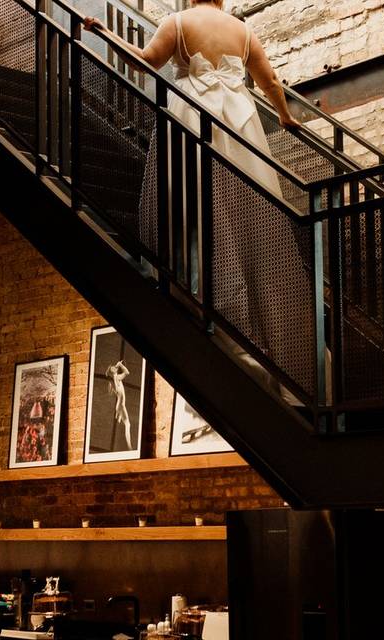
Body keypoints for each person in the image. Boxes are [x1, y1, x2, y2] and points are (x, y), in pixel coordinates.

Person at [85, 1, 316, 407]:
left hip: (193, 122)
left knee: (194, 206)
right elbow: (271, 83)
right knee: (250, 217)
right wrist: (283, 117)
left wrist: (104, 32)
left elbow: (142, 62)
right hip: (241, 130)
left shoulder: (178, 22)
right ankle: (269, 334)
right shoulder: (242, 31)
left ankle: (204, 292)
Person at [106, 360, 132, 450]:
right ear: (112, 371)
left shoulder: (115, 379)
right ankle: (130, 447)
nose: (114, 366)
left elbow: (119, 394)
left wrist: (114, 392)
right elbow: (127, 372)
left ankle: (118, 416)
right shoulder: (116, 377)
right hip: (120, 405)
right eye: (113, 367)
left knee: (127, 424)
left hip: (119, 406)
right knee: (128, 425)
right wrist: (120, 364)